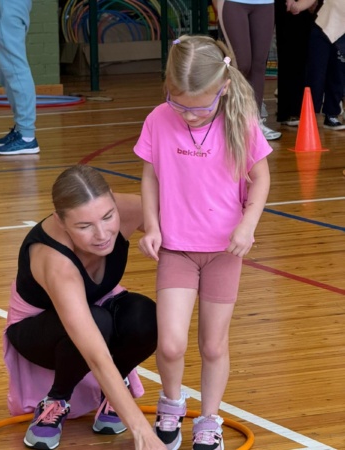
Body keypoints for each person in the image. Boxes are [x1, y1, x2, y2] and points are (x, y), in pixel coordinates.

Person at [134, 35, 272, 450]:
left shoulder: (239, 121)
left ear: (223, 88)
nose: (189, 115)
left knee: (213, 345)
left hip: (223, 252)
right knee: (171, 343)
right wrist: (152, 226)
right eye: (180, 105)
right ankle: (171, 404)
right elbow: (150, 176)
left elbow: (261, 178)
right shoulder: (158, 119)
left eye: (200, 108)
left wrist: (247, 224)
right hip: (176, 248)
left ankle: (209, 418)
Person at [3, 165, 165, 450]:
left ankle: (112, 394)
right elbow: (96, 354)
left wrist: (243, 223)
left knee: (147, 317)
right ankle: (55, 400)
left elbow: (191, 220)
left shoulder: (130, 209)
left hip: (98, 312)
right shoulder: (55, 261)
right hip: (38, 333)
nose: (102, 234)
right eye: (84, 226)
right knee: (98, 321)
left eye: (108, 216)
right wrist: (142, 431)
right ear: (61, 222)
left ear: (113, 200)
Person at [216, 0, 282, 140]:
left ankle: (255, 123)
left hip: (265, 4)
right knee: (241, 64)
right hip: (234, 3)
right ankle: (231, 119)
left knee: (259, 65)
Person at [0, 0, 40, 155]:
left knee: (15, 69)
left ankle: (27, 136)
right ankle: (21, 129)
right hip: (5, 6)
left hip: (8, 6)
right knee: (4, 68)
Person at [288, 0, 345, 130]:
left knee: (338, 75)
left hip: (342, 35)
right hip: (322, 29)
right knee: (315, 75)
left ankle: (331, 114)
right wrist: (297, 6)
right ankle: (310, 113)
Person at [274, 0, 314, 126]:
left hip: (305, 7)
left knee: (301, 57)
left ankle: (295, 110)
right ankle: (290, 111)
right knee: (291, 55)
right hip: (289, 6)